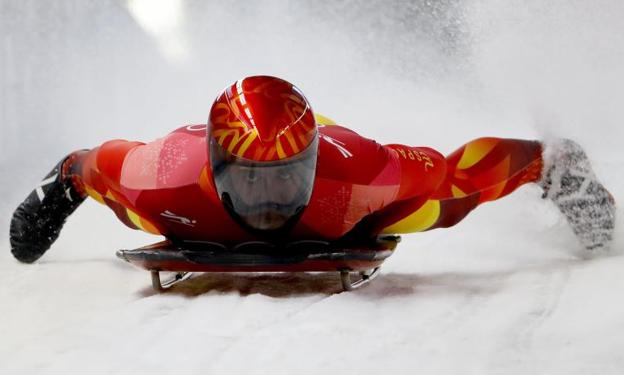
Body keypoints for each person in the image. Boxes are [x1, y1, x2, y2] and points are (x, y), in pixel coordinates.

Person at [9, 75, 616, 264]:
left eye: (285, 177)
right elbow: (80, 167)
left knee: (441, 203)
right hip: (193, 154)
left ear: (312, 162)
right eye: (251, 177)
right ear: (218, 167)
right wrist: (54, 198)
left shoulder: (360, 177)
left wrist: (555, 166)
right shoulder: (158, 176)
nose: (269, 196)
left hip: (336, 155)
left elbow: (459, 172)